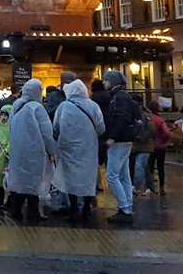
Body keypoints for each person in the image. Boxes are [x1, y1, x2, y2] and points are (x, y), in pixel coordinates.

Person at [4, 78, 56, 223]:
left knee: (21, 181)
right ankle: (33, 212)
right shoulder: (37, 108)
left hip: (17, 150)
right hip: (34, 150)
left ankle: (16, 209)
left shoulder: (16, 105)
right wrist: (52, 150)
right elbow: (46, 133)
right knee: (34, 181)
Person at [53, 79, 104, 223]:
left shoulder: (64, 106)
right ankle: (86, 208)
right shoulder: (93, 106)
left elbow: (55, 126)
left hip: (68, 148)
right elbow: (101, 127)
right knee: (87, 177)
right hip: (88, 147)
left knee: (70, 177)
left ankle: (74, 208)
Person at [94, 71, 141, 224]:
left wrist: (112, 137)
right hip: (126, 139)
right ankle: (127, 206)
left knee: (111, 175)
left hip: (119, 140)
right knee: (124, 175)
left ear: (112, 82)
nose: (104, 82)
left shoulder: (118, 98)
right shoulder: (123, 96)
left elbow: (121, 118)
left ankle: (124, 206)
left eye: (106, 80)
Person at [142, 100, 171, 196]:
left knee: (149, 166)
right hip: (161, 146)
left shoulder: (146, 118)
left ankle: (149, 187)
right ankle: (162, 187)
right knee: (160, 167)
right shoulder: (160, 119)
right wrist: (164, 139)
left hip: (149, 145)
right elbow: (167, 132)